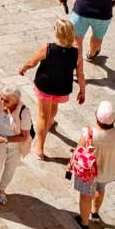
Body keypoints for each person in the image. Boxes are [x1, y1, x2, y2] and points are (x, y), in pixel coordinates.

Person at [17, 17, 86, 160]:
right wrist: (82, 90)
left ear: (58, 33)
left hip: (45, 86)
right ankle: (51, 122)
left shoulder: (48, 48)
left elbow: (32, 62)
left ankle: (39, 148)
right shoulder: (76, 52)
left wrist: (23, 68)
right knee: (53, 107)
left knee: (43, 116)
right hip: (62, 87)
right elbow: (80, 73)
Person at [70, 100, 115, 229]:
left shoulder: (89, 134)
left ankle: (84, 223)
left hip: (90, 173)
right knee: (100, 189)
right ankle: (95, 213)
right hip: (109, 172)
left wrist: (70, 166)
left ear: (97, 117)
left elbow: (78, 152)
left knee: (86, 195)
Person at [0, 86, 33, 205]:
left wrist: (4, 139)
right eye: (1, 98)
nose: (2, 102)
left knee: (10, 170)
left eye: (6, 100)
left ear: (16, 100)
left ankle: (2, 190)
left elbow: (24, 136)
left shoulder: (24, 112)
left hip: (15, 145)